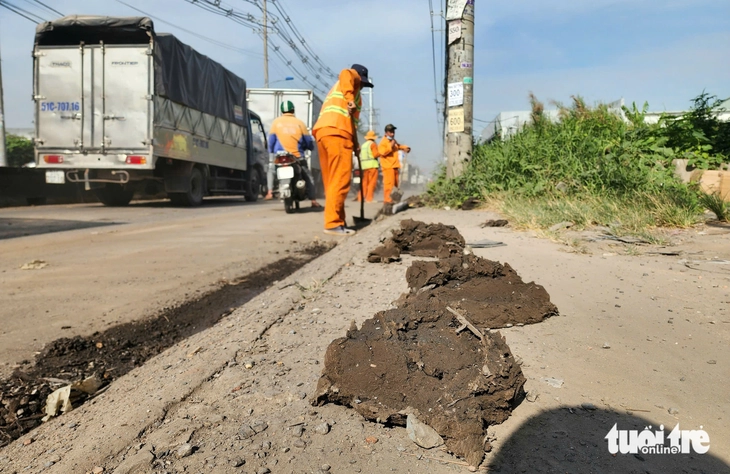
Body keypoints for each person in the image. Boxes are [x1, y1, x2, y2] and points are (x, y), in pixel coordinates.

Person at [312, 64, 373, 236]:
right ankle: (333, 224)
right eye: (361, 82)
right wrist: (349, 98)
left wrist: (355, 144)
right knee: (340, 180)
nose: (361, 86)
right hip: (337, 133)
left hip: (325, 132)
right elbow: (346, 73)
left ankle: (338, 220)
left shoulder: (354, 97)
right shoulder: (349, 82)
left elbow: (352, 124)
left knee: (332, 181)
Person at [266, 100, 321, 208]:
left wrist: (271, 151)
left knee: (271, 170)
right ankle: (313, 200)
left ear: (282, 110)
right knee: (308, 176)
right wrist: (310, 147)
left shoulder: (276, 123)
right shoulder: (300, 123)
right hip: (297, 156)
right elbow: (308, 141)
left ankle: (269, 191)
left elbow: (271, 140)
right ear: (293, 110)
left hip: (280, 156)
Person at [377, 124, 410, 203]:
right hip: (388, 167)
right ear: (386, 133)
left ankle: (393, 201)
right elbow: (382, 152)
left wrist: (405, 148)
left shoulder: (393, 141)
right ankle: (388, 202)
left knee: (395, 186)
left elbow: (398, 146)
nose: (392, 134)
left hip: (395, 166)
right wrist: (390, 145)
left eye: (393, 132)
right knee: (389, 186)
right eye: (390, 132)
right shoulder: (383, 142)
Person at [358, 130, 381, 203]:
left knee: (365, 182)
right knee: (372, 183)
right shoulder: (373, 144)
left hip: (364, 166)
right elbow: (375, 154)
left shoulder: (364, 145)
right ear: (373, 137)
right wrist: (380, 153)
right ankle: (369, 198)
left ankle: (360, 198)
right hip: (372, 165)